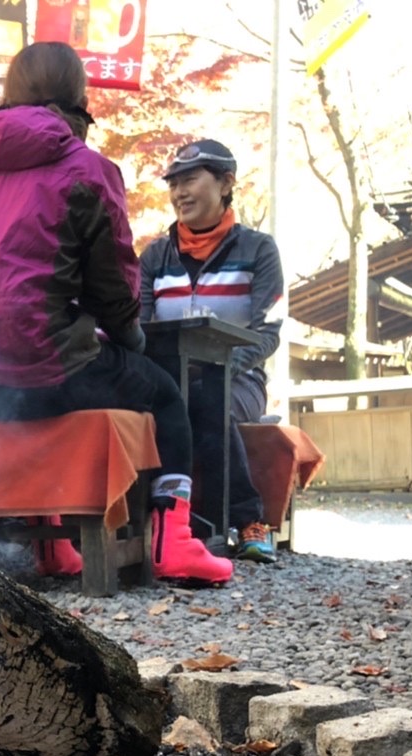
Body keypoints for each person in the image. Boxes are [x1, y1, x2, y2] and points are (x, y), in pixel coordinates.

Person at [0, 42, 230, 584]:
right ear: (79, 101)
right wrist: (130, 336)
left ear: (7, 100)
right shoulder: (87, 170)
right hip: (44, 369)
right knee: (164, 396)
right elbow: (113, 284)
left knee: (42, 382)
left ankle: (55, 550)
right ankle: (172, 541)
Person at [140, 139, 285, 564]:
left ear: (225, 184)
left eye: (190, 180)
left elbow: (268, 332)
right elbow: (140, 327)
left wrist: (223, 367)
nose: (179, 193)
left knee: (209, 399)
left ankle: (248, 521)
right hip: (167, 378)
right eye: (173, 184)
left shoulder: (259, 250)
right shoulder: (153, 256)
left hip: (240, 379)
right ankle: (146, 525)